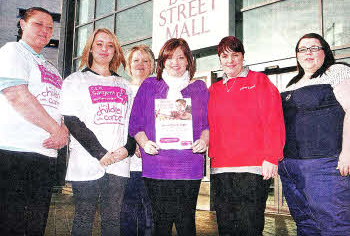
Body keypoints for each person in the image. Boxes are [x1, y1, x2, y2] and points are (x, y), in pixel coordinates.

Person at [59, 28, 136, 236]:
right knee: (84, 218)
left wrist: (128, 149)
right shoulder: (75, 81)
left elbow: (132, 123)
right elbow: (72, 121)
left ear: (115, 51)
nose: (105, 49)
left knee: (112, 220)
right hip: (87, 162)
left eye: (110, 45)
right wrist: (100, 153)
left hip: (118, 164)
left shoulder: (125, 85)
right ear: (91, 49)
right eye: (100, 44)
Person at [129, 38, 209, 236]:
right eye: (170, 57)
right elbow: (135, 124)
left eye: (181, 57)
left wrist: (204, 140)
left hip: (189, 165)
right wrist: (144, 143)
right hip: (157, 165)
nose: (176, 62)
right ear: (162, 61)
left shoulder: (199, 88)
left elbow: (208, 125)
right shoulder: (148, 86)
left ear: (189, 61)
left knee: (186, 222)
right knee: (160, 223)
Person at [0, 7, 68, 235]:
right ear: (22, 25)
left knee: (36, 225)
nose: (46, 30)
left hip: (45, 156)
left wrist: (63, 130)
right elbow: (17, 95)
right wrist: (56, 131)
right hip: (15, 154)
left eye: (50, 27)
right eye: (38, 24)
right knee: (12, 225)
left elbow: (62, 107)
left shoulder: (50, 67)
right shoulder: (13, 51)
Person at [208, 36, 285, 236]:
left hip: (252, 167)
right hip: (220, 169)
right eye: (225, 56)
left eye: (235, 55)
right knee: (225, 228)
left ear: (243, 56)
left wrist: (271, 156)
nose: (230, 60)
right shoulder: (213, 90)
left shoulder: (259, 81)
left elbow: (274, 119)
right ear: (219, 59)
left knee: (249, 227)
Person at [279, 33, 350, 235]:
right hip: (290, 165)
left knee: (335, 225)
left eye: (314, 48)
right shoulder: (292, 83)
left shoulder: (336, 71)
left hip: (324, 166)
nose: (308, 52)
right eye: (302, 49)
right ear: (297, 55)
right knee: (305, 224)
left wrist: (347, 153)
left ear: (325, 51)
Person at [120, 45, 155, 236]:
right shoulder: (122, 90)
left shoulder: (159, 90)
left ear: (152, 66)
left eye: (145, 61)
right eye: (136, 60)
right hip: (126, 166)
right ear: (128, 65)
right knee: (127, 216)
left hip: (153, 167)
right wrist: (134, 144)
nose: (140, 65)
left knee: (150, 218)